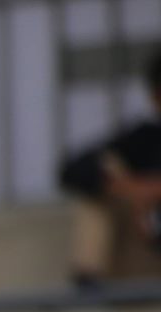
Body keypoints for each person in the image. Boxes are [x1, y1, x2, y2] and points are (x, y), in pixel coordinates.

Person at [58, 50, 161, 288]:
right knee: (101, 182)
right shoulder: (144, 139)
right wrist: (133, 190)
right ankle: (89, 290)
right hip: (144, 245)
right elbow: (73, 169)